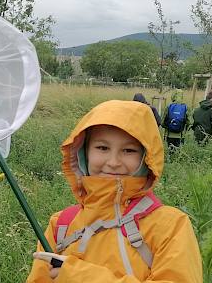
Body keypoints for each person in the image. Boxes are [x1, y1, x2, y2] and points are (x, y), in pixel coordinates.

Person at [27, 100, 202, 283]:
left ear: (146, 158)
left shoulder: (170, 226)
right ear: (83, 153)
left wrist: (83, 278)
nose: (113, 162)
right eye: (102, 148)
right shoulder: (61, 225)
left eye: (128, 150)